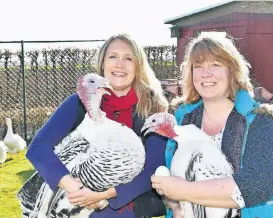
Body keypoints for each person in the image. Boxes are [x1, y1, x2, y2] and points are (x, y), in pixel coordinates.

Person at [24, 33, 169, 218]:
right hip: (74, 208)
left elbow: (154, 168)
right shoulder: (80, 102)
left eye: (128, 58)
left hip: (129, 209)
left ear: (138, 66)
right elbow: (38, 147)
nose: (119, 64)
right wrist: (75, 188)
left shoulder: (152, 107)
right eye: (112, 56)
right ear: (102, 63)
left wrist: (105, 195)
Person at [151, 32, 273, 218]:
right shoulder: (183, 119)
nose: (206, 73)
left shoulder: (259, 119)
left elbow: (258, 185)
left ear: (232, 70)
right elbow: (171, 179)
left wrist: (185, 190)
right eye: (198, 66)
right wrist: (175, 207)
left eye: (215, 65)